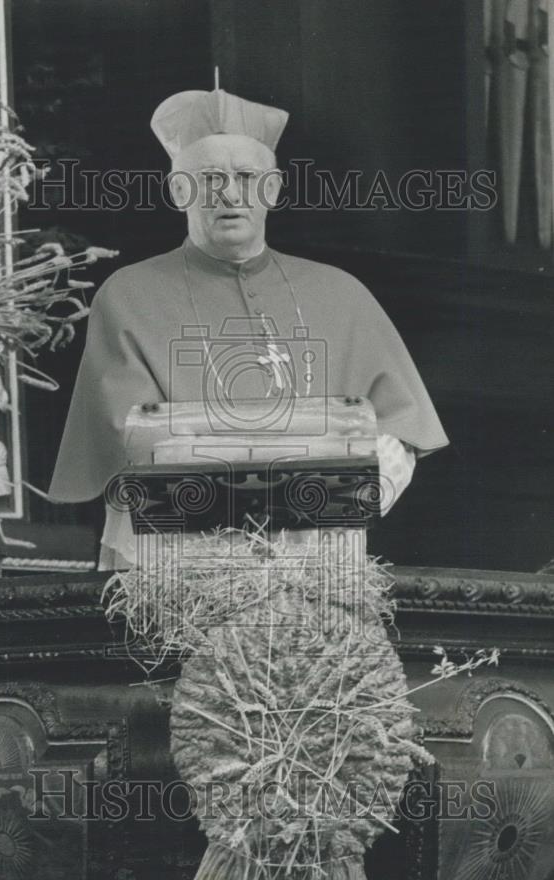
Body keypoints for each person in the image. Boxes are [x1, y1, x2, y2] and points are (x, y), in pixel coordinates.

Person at [48, 88, 449, 569]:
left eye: (246, 177)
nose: (230, 194)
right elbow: (130, 445)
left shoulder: (342, 294)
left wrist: (323, 505)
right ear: (179, 191)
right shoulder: (128, 295)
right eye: (210, 178)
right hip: (177, 563)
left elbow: (398, 432)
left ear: (274, 189)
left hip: (314, 561)